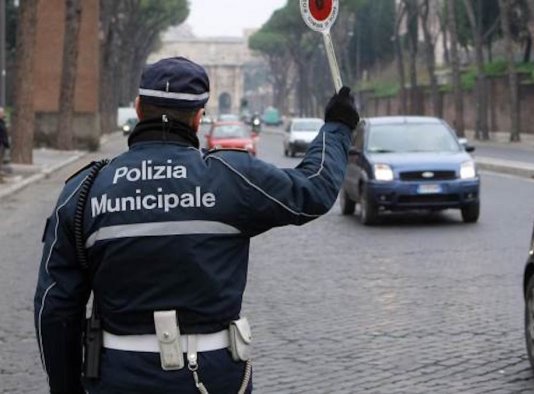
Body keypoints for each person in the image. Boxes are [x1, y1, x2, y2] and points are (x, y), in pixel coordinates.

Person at [33, 56, 359, 394]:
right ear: (199, 117)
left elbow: (55, 308)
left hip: (118, 376)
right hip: (215, 375)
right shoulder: (232, 177)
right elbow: (315, 188)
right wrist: (337, 127)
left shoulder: (85, 189)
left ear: (138, 108)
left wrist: (65, 388)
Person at [0, 107, 9, 179]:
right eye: (2, 113)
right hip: (1, 143)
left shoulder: (2, 122)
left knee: (1, 160)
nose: (3, 114)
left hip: (3, 144)